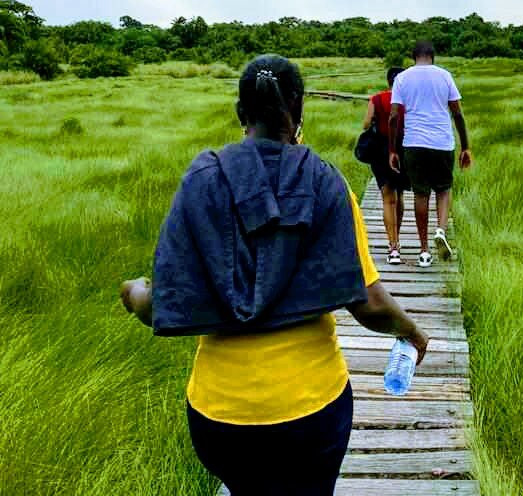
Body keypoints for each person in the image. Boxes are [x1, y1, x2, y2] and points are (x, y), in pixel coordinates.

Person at [120, 54, 428, 496]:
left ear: (241, 113)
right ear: (299, 110)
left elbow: (159, 307)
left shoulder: (201, 181)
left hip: (220, 415)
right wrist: (413, 334)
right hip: (311, 411)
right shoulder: (327, 182)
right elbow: (369, 304)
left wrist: (131, 292)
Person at [388, 41, 472, 268]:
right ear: (433, 56)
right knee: (443, 190)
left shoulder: (402, 78)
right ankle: (441, 229)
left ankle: (424, 251)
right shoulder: (444, 76)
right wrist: (465, 146)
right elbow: (458, 114)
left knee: (420, 195)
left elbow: (394, 117)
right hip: (442, 142)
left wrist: (393, 150)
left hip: (414, 144)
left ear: (413, 57)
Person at [361, 66, 409, 265]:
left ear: (388, 80)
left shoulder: (377, 98)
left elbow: (365, 124)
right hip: (404, 148)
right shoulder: (408, 100)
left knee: (388, 198)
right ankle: (396, 238)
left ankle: (393, 246)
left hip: (381, 150)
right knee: (400, 196)